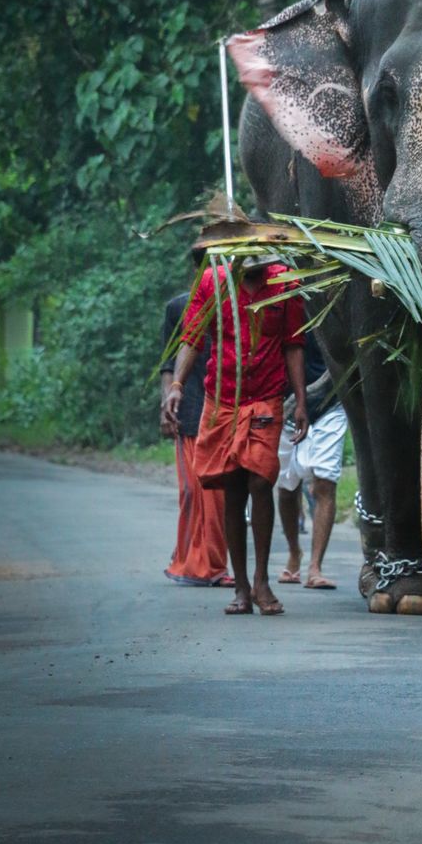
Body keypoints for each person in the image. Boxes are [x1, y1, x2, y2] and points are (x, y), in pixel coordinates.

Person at [166, 254, 308, 616]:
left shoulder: (284, 283)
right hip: (222, 400)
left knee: (261, 481)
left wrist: (302, 402)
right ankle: (241, 587)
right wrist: (177, 384)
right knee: (232, 486)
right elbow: (192, 338)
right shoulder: (213, 282)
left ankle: (262, 580)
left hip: (266, 399)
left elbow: (293, 345)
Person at [159, 272, 231, 588]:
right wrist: (166, 405)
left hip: (224, 407)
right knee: (190, 491)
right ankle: (187, 559)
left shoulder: (237, 304)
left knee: (216, 494)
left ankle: (214, 565)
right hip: (188, 407)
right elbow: (168, 364)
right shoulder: (178, 308)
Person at [276, 328, 347, 591]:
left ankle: (315, 567)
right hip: (286, 403)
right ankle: (294, 552)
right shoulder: (283, 296)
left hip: (330, 401)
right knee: (286, 486)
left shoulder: (337, 292)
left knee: (325, 483)